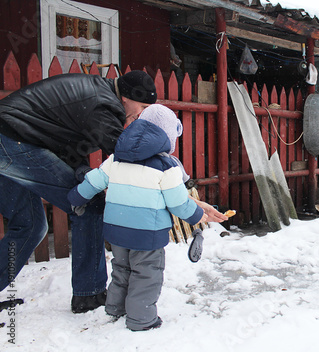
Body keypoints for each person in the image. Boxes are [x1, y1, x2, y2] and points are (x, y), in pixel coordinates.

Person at [0, 70, 226, 313]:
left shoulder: (98, 93)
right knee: (90, 206)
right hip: (14, 141)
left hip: (10, 136)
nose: (141, 116)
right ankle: (89, 294)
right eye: (141, 108)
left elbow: (70, 145)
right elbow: (136, 160)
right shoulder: (104, 107)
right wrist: (189, 200)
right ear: (126, 98)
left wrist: (82, 173)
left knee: (30, 225)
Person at [68, 104, 207, 331]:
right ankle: (142, 319)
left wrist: (76, 197)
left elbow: (94, 181)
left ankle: (115, 308)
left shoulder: (116, 158)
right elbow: (179, 203)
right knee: (146, 275)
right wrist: (197, 215)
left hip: (116, 231)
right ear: (169, 136)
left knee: (121, 270)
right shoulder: (166, 166)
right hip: (147, 234)